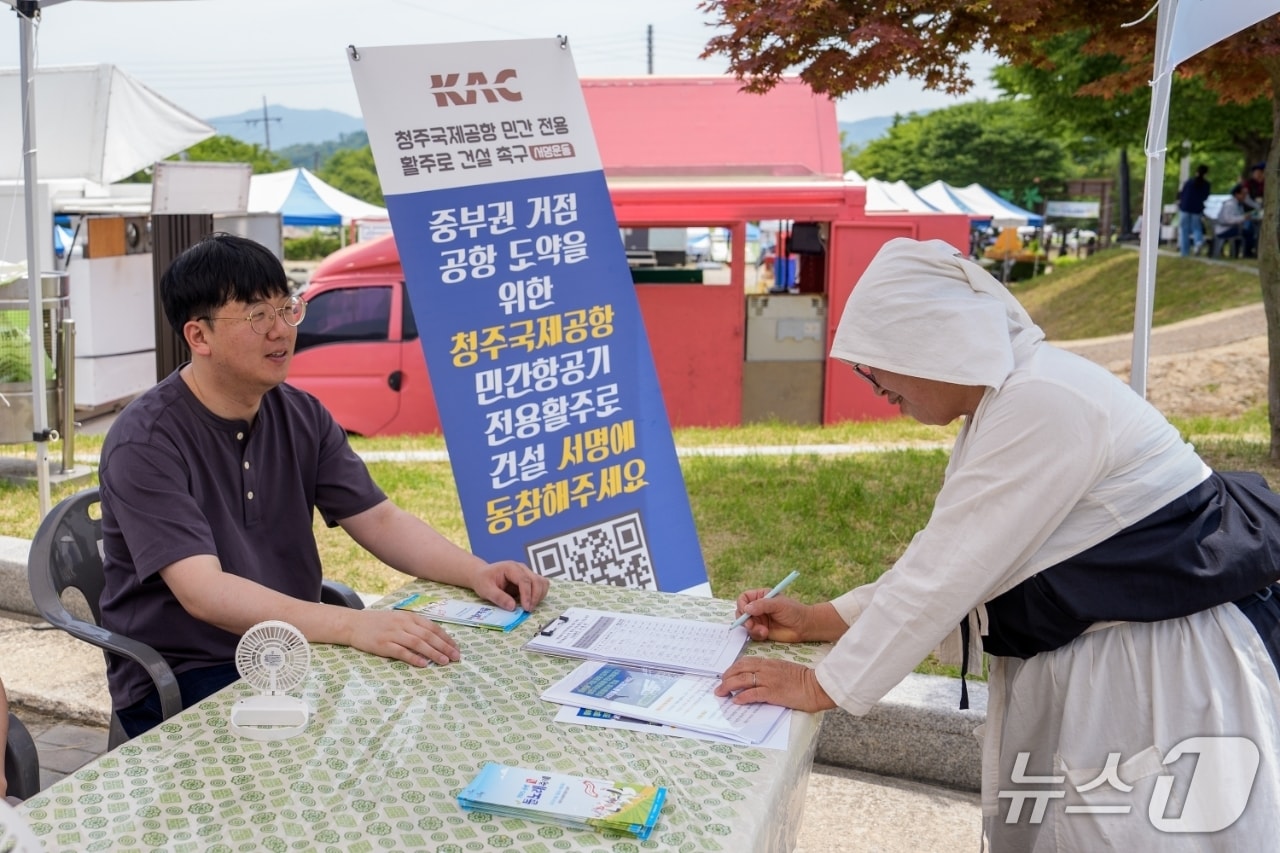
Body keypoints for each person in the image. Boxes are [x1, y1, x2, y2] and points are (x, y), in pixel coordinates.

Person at [715, 237, 1280, 850]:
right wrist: (819, 620)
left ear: (934, 344)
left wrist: (819, 686)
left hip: (1156, 668)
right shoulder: (1011, 400)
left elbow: (947, 573)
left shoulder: (1043, 400)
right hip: (1098, 655)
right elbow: (952, 554)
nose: (875, 386)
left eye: (874, 364)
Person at [99, 233, 550, 739]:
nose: (281, 331)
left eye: (285, 308)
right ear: (199, 337)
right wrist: (353, 626)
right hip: (189, 671)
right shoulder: (145, 440)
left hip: (294, 650)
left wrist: (478, 571)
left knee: (441, 705)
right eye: (256, 315)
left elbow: (379, 519)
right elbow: (205, 593)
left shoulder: (300, 413)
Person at [1214, 182, 1259, 258]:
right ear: (1237, 194)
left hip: (1231, 228)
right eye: (1243, 194)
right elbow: (1228, 219)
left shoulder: (1238, 203)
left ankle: (1242, 253)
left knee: (1249, 229)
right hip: (1224, 229)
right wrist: (1244, 217)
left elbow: (1251, 203)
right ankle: (1247, 254)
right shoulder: (1230, 204)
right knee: (1248, 232)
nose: (1245, 196)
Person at [1176, 164, 1211, 256]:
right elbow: (1205, 197)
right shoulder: (1206, 184)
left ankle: (1184, 251)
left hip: (1185, 208)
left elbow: (1182, 194)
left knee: (1184, 230)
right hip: (1197, 209)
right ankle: (1198, 242)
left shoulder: (1189, 182)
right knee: (1196, 228)